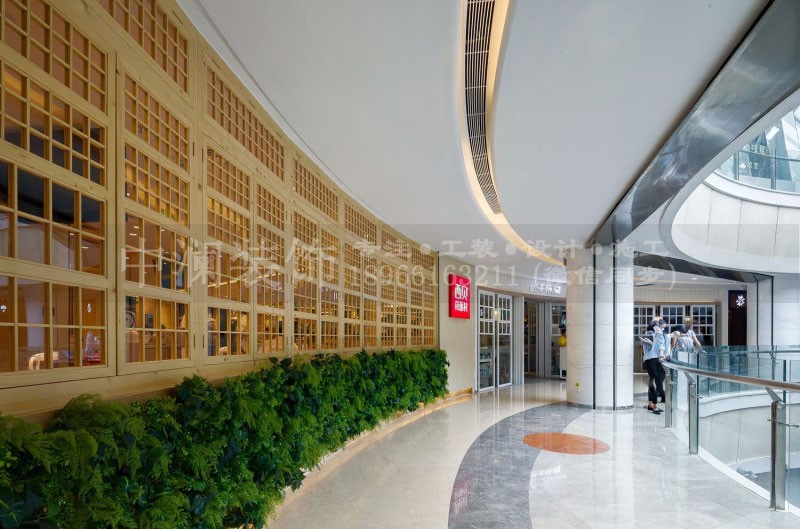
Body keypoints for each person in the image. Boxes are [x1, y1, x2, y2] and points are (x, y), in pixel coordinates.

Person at [640, 319, 664, 414]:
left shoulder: (656, 334)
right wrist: (653, 341)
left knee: (653, 381)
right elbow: (653, 347)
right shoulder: (649, 334)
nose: (661, 328)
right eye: (659, 326)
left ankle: (651, 404)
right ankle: (655, 405)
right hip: (651, 359)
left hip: (654, 359)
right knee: (654, 381)